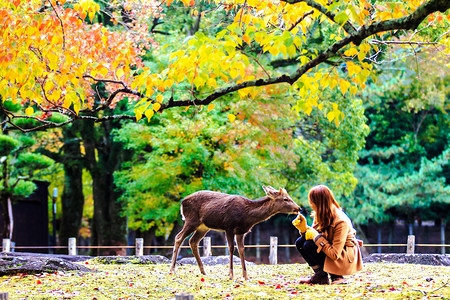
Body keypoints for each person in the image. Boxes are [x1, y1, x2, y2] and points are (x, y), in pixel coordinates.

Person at [292, 185, 363, 285]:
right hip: (329, 248)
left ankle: (338, 277)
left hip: (344, 256)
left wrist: (316, 236)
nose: (310, 204)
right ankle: (320, 276)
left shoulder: (341, 221)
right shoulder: (320, 214)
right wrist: (304, 229)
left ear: (318, 203)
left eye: (312, 201)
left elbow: (334, 254)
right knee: (301, 242)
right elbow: (313, 235)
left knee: (309, 245)